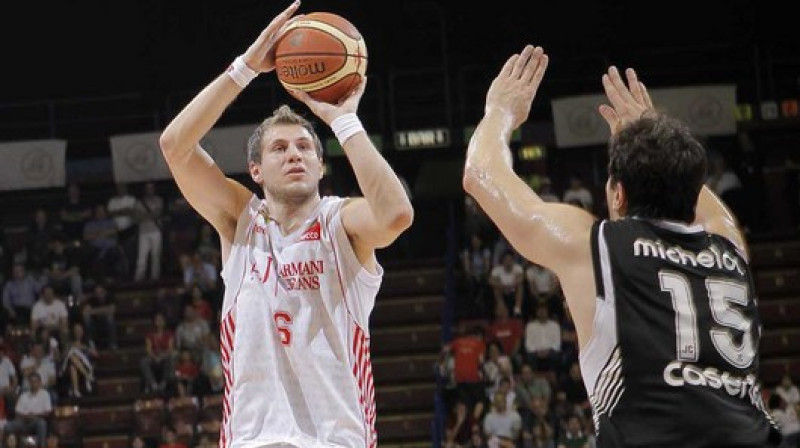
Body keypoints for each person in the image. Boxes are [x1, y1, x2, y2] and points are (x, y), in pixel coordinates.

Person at [462, 45, 779, 446]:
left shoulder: (594, 247)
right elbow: (712, 209)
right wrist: (652, 133)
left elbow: (480, 174)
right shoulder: (730, 250)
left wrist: (500, 112)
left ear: (617, 194)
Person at [157, 2, 413, 447]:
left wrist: (344, 121)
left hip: (336, 440)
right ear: (255, 170)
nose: (294, 153)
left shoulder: (341, 222)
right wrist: (246, 68)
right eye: (279, 148)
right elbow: (175, 145)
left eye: (304, 148)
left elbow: (395, 214)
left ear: (320, 167)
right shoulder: (241, 219)